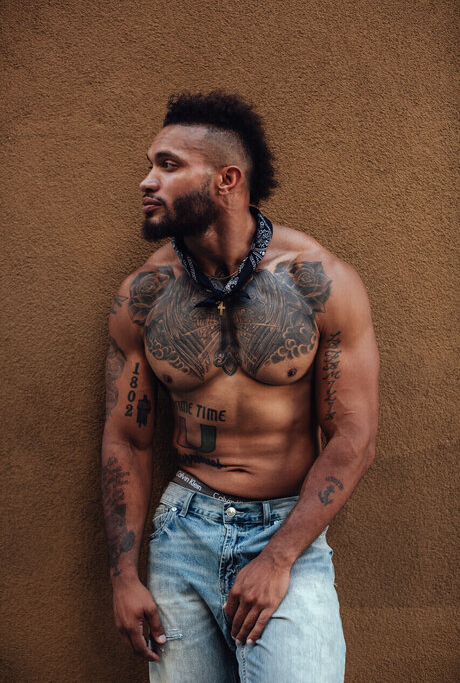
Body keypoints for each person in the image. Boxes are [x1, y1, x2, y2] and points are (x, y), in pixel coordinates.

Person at [101, 89, 379, 683]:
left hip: (288, 530)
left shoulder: (318, 282)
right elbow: (127, 439)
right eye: (151, 165)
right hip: (182, 531)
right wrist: (124, 577)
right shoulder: (144, 295)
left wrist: (279, 558)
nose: (147, 181)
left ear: (227, 180)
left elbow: (353, 437)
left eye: (168, 165)